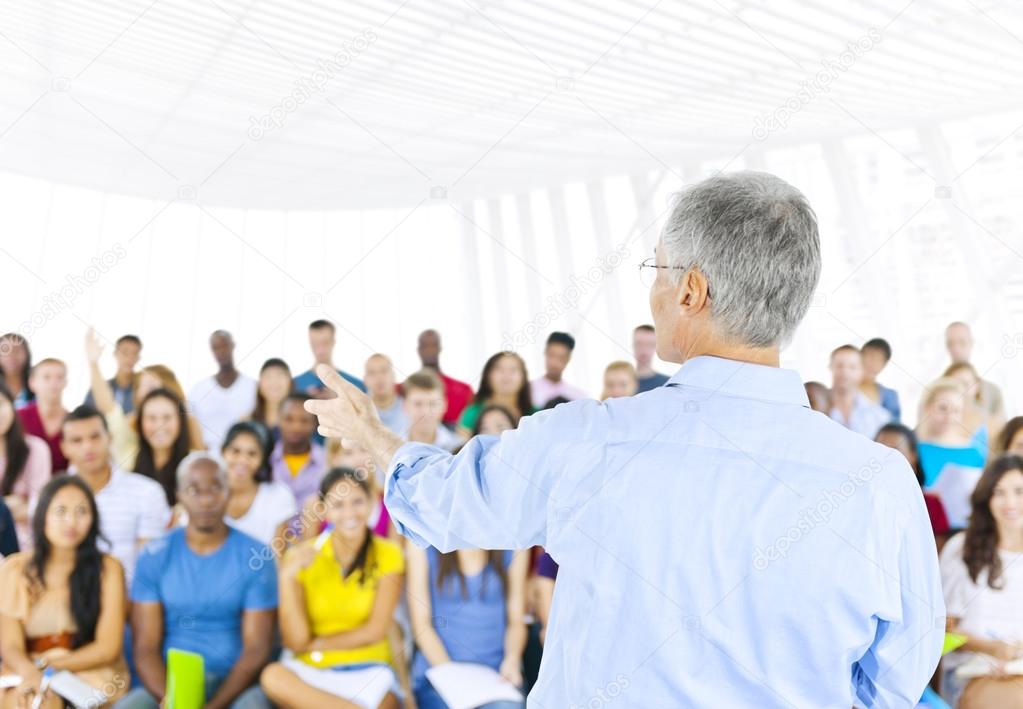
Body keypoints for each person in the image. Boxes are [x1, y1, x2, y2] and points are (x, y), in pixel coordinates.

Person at [308, 171, 945, 705]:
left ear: (692, 289)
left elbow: (450, 504)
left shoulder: (587, 441)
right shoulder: (880, 484)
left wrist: (374, 437)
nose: (654, 288)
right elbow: (897, 675)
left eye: (659, 268)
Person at [123, 453, 276, 709]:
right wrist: (175, 702)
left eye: (215, 488)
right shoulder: (154, 555)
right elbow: (145, 648)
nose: (206, 500)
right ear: (179, 495)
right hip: (169, 685)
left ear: (228, 492)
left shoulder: (256, 556)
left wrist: (213, 706)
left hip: (237, 685)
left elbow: (256, 650)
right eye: (194, 490)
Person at [260, 468, 407, 709]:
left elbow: (375, 630)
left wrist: (316, 644)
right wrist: (287, 577)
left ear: (371, 503)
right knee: (272, 676)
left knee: (389, 702)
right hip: (310, 671)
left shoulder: (389, 554)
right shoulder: (300, 557)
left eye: (357, 501)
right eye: (338, 504)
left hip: (368, 668)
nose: (349, 513)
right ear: (324, 510)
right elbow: (295, 642)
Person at [0, 476, 129, 708]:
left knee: (45, 703)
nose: (71, 521)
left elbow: (108, 648)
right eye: (60, 511)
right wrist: (30, 672)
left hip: (87, 670)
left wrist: (52, 667)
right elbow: (10, 645)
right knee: (21, 701)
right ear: (42, 516)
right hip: (27, 667)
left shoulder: (108, 569)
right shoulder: (15, 569)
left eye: (82, 511)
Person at [939, 454, 1023, 707]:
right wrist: (992, 649)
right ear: (986, 498)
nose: (1010, 502)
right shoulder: (961, 549)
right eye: (999, 492)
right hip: (972, 672)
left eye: (1019, 491)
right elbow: (942, 628)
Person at [407, 545, 529, 709]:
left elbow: (516, 620)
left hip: (497, 677)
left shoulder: (515, 545)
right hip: (439, 673)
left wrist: (512, 659)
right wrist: (452, 676)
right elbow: (421, 624)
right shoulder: (421, 543)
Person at [60, 405, 169, 582]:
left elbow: (151, 568)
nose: (87, 447)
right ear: (64, 447)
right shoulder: (48, 497)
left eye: (95, 437)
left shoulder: (147, 491)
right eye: (77, 440)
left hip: (131, 600)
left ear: (109, 438)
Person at [86, 330, 204, 469]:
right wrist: (93, 364)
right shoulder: (130, 436)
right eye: (141, 387)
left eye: (152, 387)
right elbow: (110, 409)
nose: (145, 393)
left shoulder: (190, 444)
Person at [917, 378, 987, 530]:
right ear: (927, 407)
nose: (949, 416)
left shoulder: (974, 453)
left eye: (956, 410)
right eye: (942, 408)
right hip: (923, 526)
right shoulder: (915, 449)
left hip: (963, 530)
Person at [223, 422, 297, 548]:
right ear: (223, 451)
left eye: (252, 454)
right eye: (235, 451)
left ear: (262, 459)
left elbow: (277, 557)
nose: (242, 460)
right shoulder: (205, 492)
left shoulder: (278, 496)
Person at [875, 423, 950, 546]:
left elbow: (937, 555)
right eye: (880, 449)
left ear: (913, 456)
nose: (886, 457)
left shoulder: (931, 504)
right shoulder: (864, 499)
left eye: (895, 451)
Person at [0, 381, 51, 551]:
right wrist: (10, 506)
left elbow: (41, 506)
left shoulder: (36, 449)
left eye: (1, 404)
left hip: (29, 549)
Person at [188, 331, 258, 452]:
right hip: (207, 458)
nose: (221, 352)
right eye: (216, 348)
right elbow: (190, 423)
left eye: (224, 345)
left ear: (233, 345)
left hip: (241, 458)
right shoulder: (198, 389)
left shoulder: (253, 386)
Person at [133, 389, 194, 508]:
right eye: (151, 418)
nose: (159, 425)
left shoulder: (195, 464)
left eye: (167, 418)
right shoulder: (128, 463)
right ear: (140, 423)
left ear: (180, 422)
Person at [456, 353, 533, 438]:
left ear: (524, 377)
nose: (506, 375)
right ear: (487, 376)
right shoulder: (472, 413)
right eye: (499, 369)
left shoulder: (535, 413)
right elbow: (464, 448)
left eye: (513, 370)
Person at [270, 395, 327, 510]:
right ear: (278, 419)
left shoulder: (327, 461)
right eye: (289, 419)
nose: (296, 427)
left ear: (315, 423)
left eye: (304, 420)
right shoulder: (265, 458)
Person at [18, 358, 69, 475]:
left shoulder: (74, 422)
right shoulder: (18, 417)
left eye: (60, 377)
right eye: (47, 377)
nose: (54, 383)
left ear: (66, 383)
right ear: (32, 383)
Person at [945, 321, 1005, 421]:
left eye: (962, 342)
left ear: (971, 343)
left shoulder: (993, 391)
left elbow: (1002, 431)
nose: (956, 349)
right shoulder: (934, 390)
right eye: (950, 343)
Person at [828, 345, 891, 438]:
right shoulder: (815, 408)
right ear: (830, 368)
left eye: (852, 367)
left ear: (861, 371)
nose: (845, 372)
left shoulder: (880, 418)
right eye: (839, 366)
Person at [293, 320, 366, 399]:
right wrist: (303, 399)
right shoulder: (294, 384)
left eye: (325, 343)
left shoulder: (355, 385)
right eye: (315, 343)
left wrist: (341, 398)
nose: (320, 350)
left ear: (333, 342)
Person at [417, 329, 473, 427]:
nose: (429, 350)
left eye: (433, 345)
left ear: (439, 348)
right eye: (425, 346)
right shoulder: (403, 390)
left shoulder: (464, 390)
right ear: (419, 350)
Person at [943, 361, 1001, 450]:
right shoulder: (937, 422)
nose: (960, 389)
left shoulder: (991, 424)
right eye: (953, 384)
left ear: (977, 387)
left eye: (965, 384)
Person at [401, 371, 461, 452]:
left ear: (444, 405)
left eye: (433, 404)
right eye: (418, 404)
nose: (426, 412)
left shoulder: (460, 449)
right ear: (405, 406)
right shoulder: (391, 447)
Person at [84, 335, 141, 415]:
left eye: (134, 353)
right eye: (125, 352)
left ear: (139, 357)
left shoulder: (142, 389)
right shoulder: (99, 388)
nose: (130, 358)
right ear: (115, 354)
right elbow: (85, 415)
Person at [529, 332, 586, 407]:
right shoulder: (527, 390)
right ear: (545, 352)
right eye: (552, 355)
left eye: (561, 358)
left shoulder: (578, 397)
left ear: (568, 359)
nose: (555, 363)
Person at [250, 358, 293, 443]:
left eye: (280, 375)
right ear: (259, 384)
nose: (274, 382)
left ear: (290, 383)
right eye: (268, 376)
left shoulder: (303, 421)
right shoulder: (247, 421)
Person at [364, 354, 408, 434]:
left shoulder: (410, 409)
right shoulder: (358, 410)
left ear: (394, 376)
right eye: (372, 373)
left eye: (384, 371)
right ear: (365, 380)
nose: (379, 377)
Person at [859, 337, 901, 422]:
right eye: (870, 356)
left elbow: (894, 429)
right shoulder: (843, 389)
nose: (873, 363)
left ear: (884, 365)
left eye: (879, 359)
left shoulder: (890, 397)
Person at [0, 333, 33, 409]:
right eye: (4, 350)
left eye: (17, 350)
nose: (11, 355)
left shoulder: (41, 380)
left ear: (27, 353)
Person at [632, 324, 668, 392]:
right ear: (633, 345)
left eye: (649, 344)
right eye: (639, 344)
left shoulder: (667, 384)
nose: (644, 349)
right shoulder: (618, 385)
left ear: (656, 347)